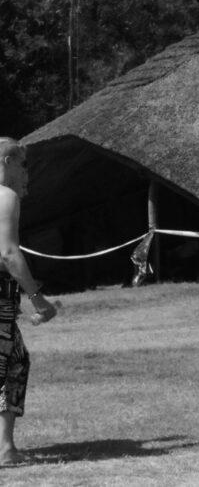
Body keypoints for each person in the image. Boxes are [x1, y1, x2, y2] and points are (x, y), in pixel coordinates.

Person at [0, 137, 58, 466]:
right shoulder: (4, 196)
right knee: (8, 364)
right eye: (23, 165)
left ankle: (5, 446)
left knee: (16, 359)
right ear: (6, 162)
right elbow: (8, 253)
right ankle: (4, 449)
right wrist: (38, 299)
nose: (26, 173)